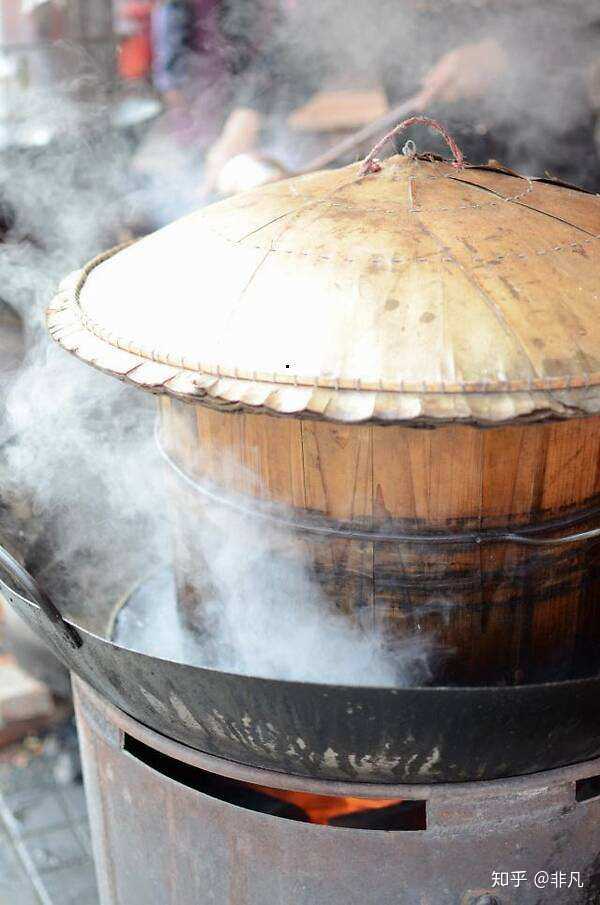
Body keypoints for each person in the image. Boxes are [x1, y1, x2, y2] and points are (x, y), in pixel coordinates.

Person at [202, 0, 600, 193]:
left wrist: (504, 53)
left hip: (552, 171)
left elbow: (583, 26)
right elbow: (295, 51)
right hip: (428, 177)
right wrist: (242, 126)